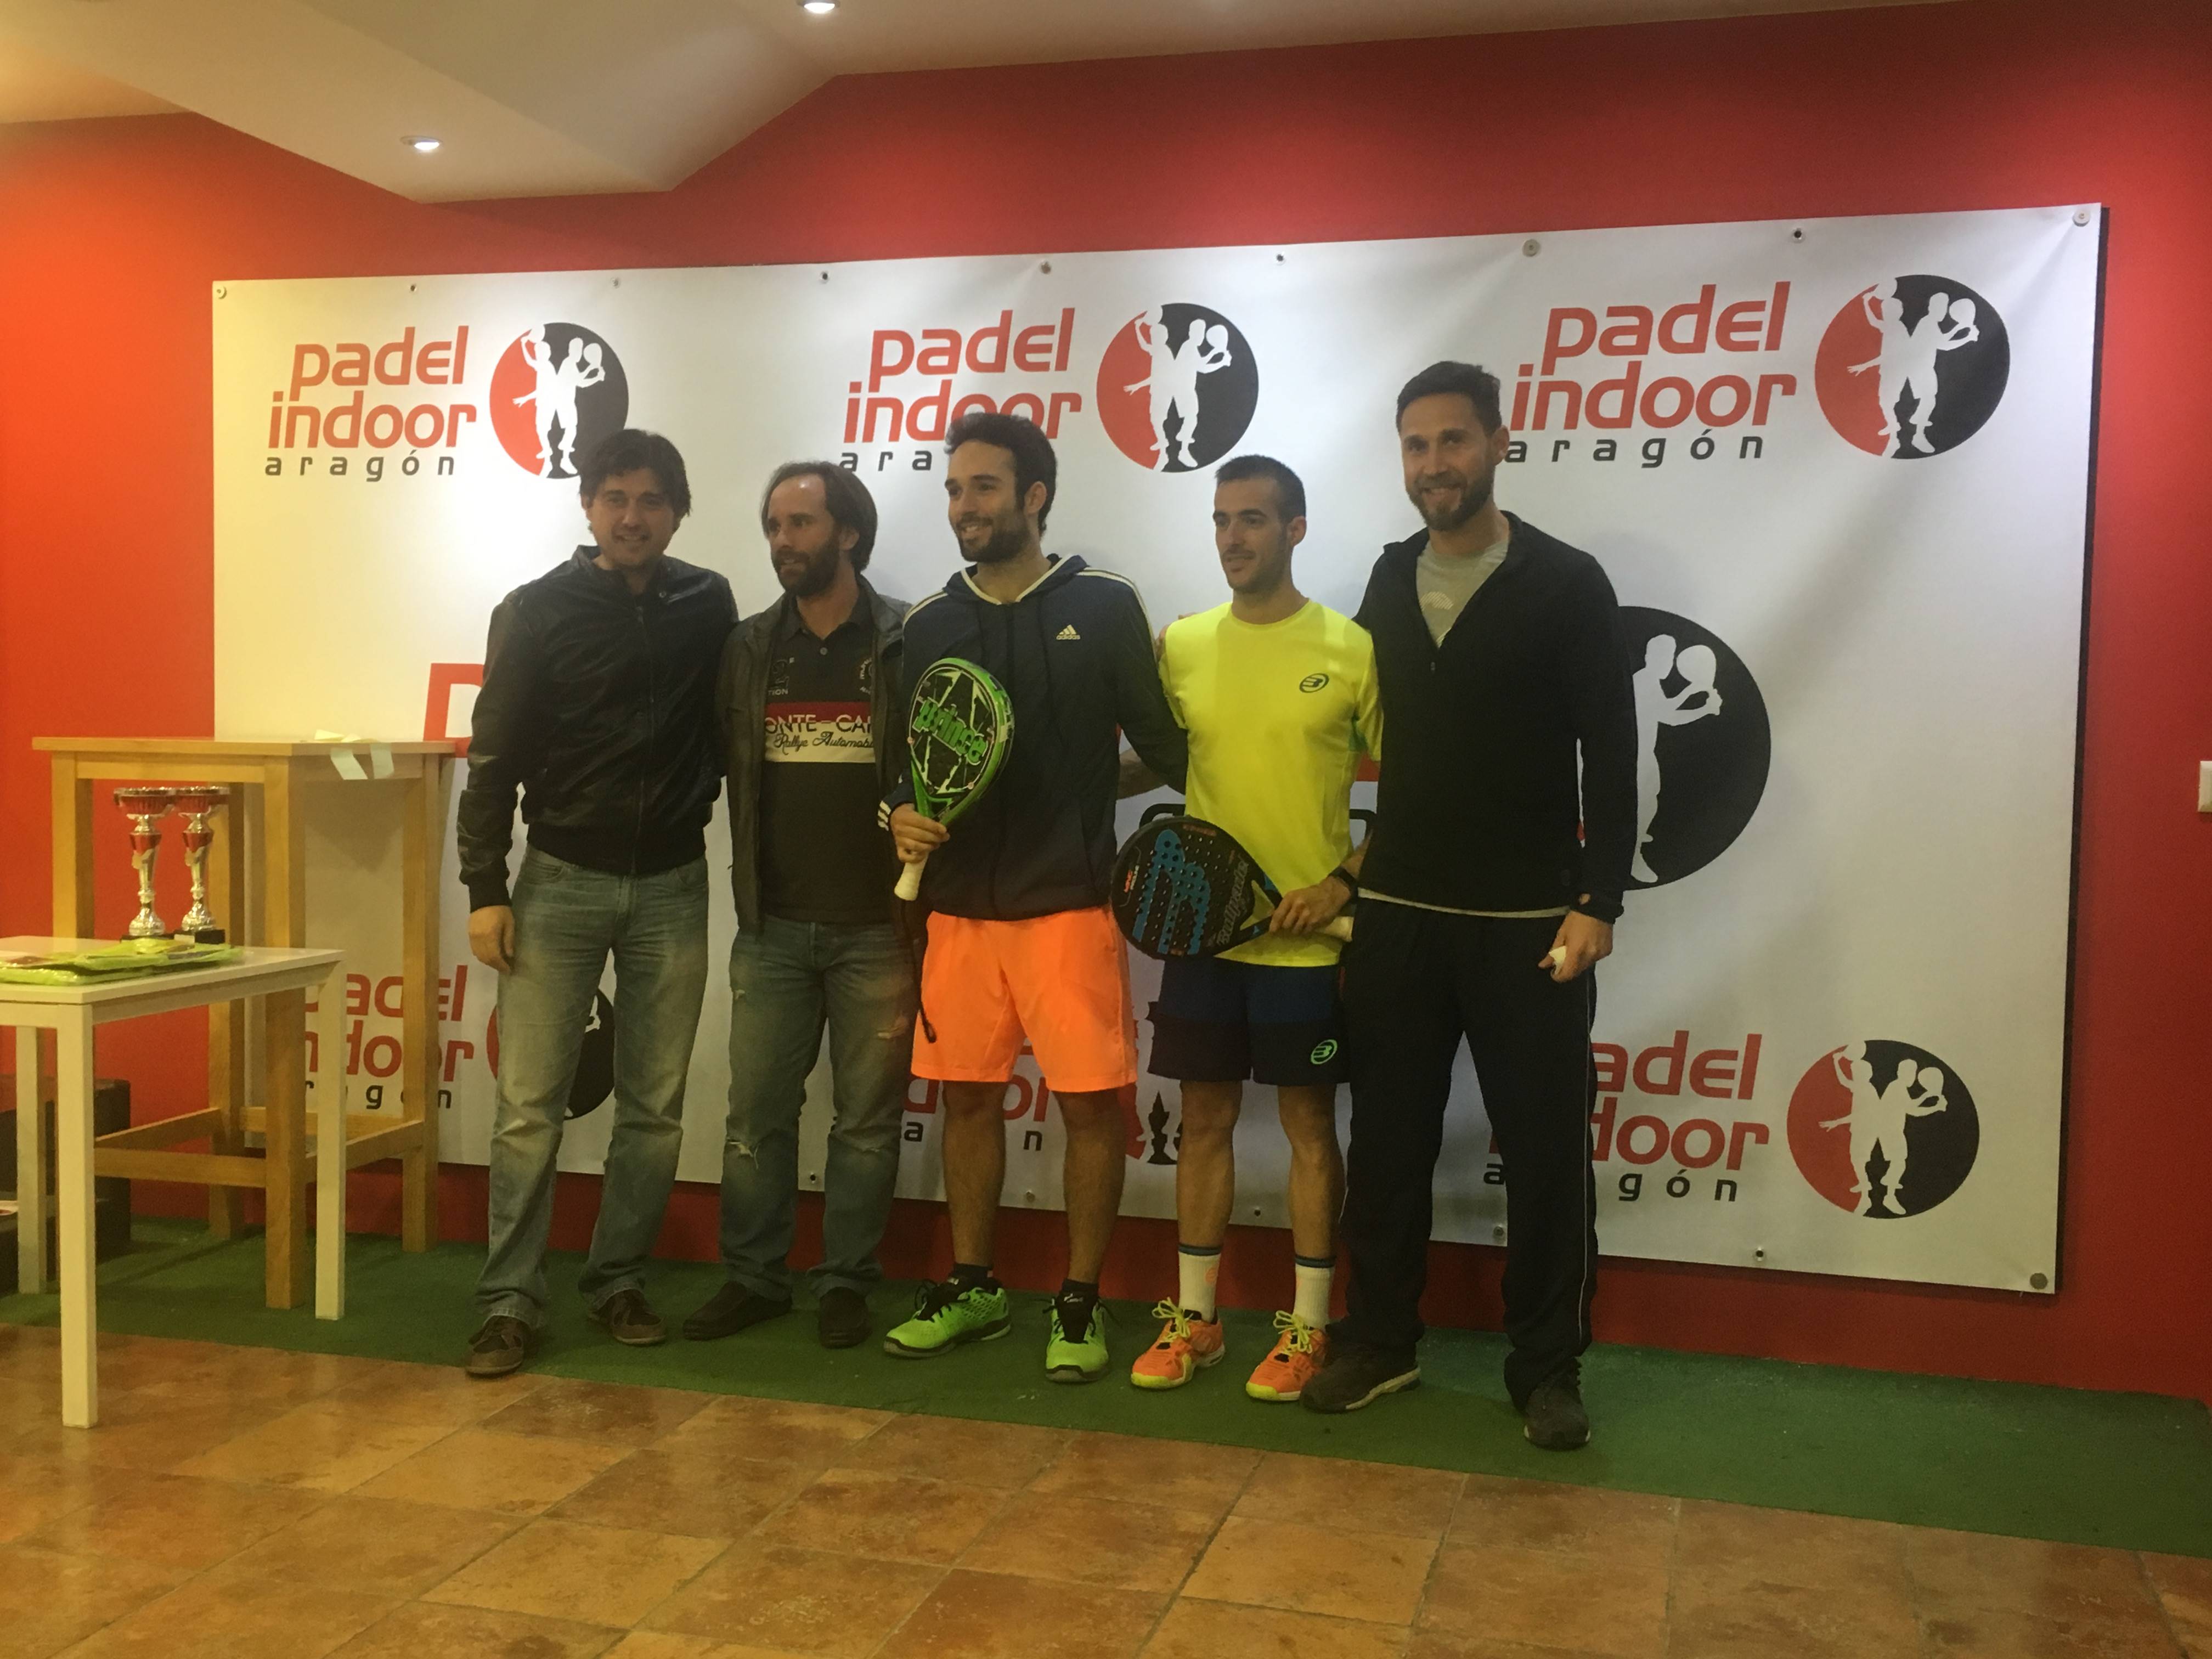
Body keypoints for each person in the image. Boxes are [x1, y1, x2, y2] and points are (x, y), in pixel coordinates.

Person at [1303, 362, 1637, 1452]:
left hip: (1529, 925)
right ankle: (1379, 1342)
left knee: (1544, 1156)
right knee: (1388, 1145)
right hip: (1399, 914)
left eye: (1453, 440)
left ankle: (1546, 1367)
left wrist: (1598, 901)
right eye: (1416, 445)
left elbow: (1614, 753)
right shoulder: (1387, 575)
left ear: (1499, 442)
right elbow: (1335, 717)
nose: (1434, 463)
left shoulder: (1567, 580)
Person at [884, 411, 1189, 1383]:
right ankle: (973, 1287)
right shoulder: (928, 623)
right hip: (959, 914)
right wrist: (900, 812)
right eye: (953, 489)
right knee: (967, 1102)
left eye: (983, 487)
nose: (962, 506)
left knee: (1092, 1112)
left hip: (1068, 907)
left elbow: (1167, 747)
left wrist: (1109, 791)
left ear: (1034, 496)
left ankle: (1079, 1302)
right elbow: (901, 764)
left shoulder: (1104, 603)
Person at [455, 428, 736, 1379]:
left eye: (652, 500)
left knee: (655, 1110)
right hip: (560, 883)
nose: (633, 516)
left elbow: (726, 734)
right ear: (587, 506)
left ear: (678, 512)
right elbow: (492, 760)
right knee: (528, 1110)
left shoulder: (709, 603)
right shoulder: (534, 611)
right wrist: (486, 890)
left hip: (674, 886)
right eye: (615, 497)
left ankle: (618, 1279)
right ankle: (508, 1302)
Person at [1124, 454, 1381, 1402]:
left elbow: (1413, 797)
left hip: (1307, 946)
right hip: (1204, 937)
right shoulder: (1184, 645)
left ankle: (1309, 1328)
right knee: (1203, 1120)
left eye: (1254, 520)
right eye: (1222, 520)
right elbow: (1146, 764)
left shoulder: (1352, 649)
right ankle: (1196, 1319)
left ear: (1295, 529)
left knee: (1311, 1127)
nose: (1233, 538)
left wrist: (1340, 886)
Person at [688, 462, 915, 1351]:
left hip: (879, 931)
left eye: (802, 524)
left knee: (866, 1125)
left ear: (848, 533)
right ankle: (754, 1277)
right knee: (755, 1117)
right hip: (771, 927)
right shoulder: (747, 647)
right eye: (774, 526)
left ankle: (846, 1282)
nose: (783, 541)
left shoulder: (904, 638)